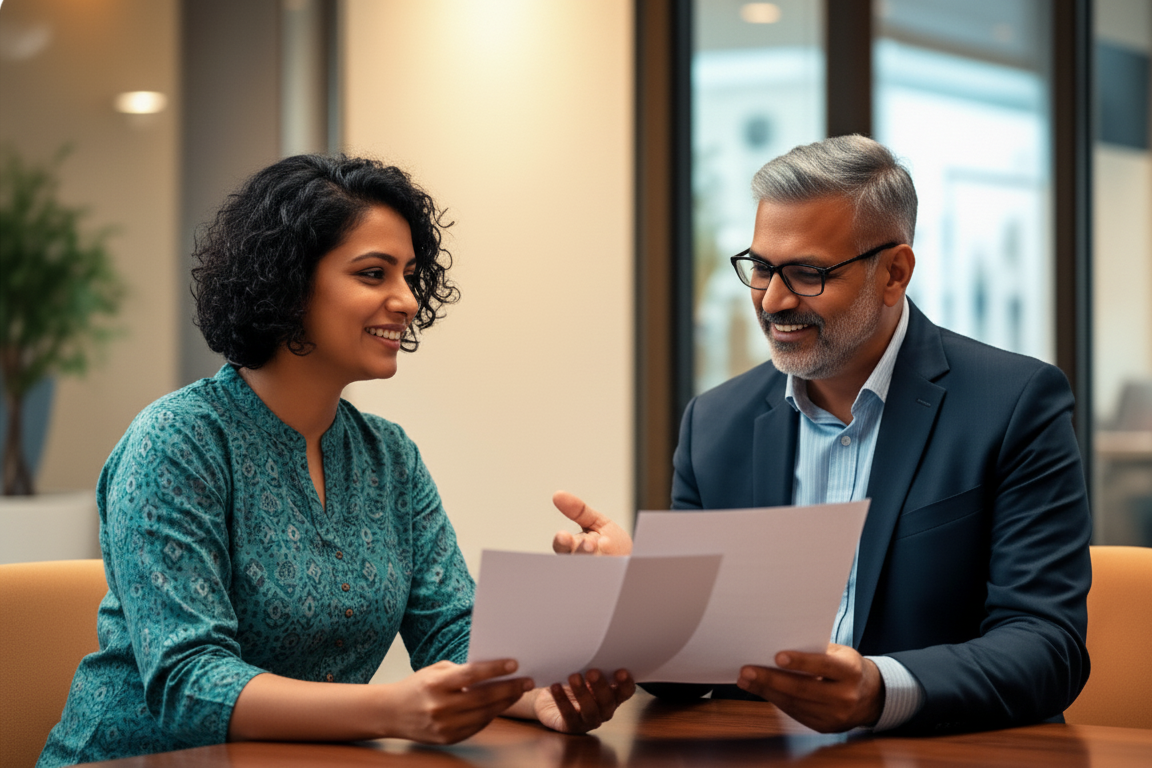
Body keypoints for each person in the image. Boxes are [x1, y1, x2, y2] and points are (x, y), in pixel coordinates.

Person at [38, 154, 634, 768]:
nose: (405, 300)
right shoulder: (177, 441)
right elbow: (189, 684)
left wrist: (540, 698)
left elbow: (453, 634)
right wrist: (391, 711)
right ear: (288, 283)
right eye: (374, 274)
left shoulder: (390, 457)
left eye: (408, 275)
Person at [552, 135, 1091, 734]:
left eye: (808, 273)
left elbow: (1047, 647)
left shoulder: (1014, 404)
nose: (773, 300)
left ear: (895, 273)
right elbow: (688, 675)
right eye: (760, 267)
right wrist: (639, 598)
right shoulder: (715, 424)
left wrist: (881, 690)